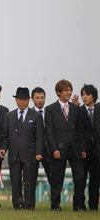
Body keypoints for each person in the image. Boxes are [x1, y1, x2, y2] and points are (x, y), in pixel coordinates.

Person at [0, 87, 43, 210]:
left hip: (30, 155)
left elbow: (40, 136)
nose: (22, 102)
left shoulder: (36, 116)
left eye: (25, 99)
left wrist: (39, 152)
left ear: (29, 100)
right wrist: (3, 148)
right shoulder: (9, 116)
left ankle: (29, 206)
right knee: (15, 182)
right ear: (16, 100)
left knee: (29, 182)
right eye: (20, 99)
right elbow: (5, 136)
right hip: (14, 155)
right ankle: (17, 205)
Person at [45, 79, 86, 211]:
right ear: (58, 92)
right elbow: (49, 132)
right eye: (66, 90)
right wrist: (54, 149)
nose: (69, 92)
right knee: (57, 180)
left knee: (80, 177)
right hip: (58, 150)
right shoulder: (50, 109)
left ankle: (78, 205)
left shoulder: (75, 108)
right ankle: (55, 205)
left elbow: (80, 130)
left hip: (75, 149)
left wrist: (83, 148)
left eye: (70, 90)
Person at [78, 84, 99, 210]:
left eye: (87, 94)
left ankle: (93, 206)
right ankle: (80, 205)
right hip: (83, 152)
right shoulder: (79, 111)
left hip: (97, 152)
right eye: (83, 95)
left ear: (94, 96)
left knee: (95, 181)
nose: (84, 97)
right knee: (81, 179)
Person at [31, 87, 52, 184]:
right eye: (37, 98)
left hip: (49, 151)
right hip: (33, 151)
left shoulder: (50, 112)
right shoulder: (28, 114)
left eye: (42, 98)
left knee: (53, 179)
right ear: (32, 99)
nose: (40, 100)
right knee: (31, 179)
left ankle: (55, 199)